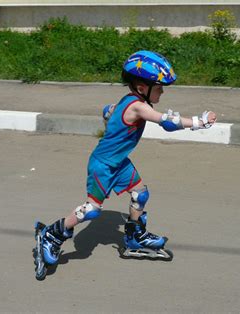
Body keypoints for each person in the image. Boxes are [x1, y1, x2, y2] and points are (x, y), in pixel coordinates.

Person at [33, 50, 217, 279]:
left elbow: (109, 111)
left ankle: (134, 235)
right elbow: (168, 123)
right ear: (142, 87)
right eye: (159, 86)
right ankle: (52, 234)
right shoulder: (139, 106)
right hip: (103, 165)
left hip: (119, 162)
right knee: (91, 210)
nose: (162, 90)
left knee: (140, 194)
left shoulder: (131, 100)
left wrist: (110, 114)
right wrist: (200, 122)